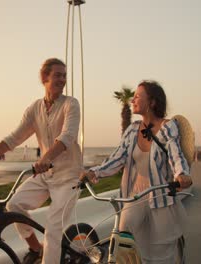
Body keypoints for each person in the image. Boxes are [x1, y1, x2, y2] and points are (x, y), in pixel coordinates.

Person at [0, 58, 82, 264]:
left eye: (64, 75)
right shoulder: (34, 109)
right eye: (58, 75)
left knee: (53, 229)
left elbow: (67, 136)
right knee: (14, 205)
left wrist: (45, 158)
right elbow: (13, 139)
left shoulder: (70, 104)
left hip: (68, 177)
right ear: (44, 78)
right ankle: (36, 249)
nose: (62, 79)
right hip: (46, 175)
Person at [80, 80, 192, 264]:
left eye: (138, 96)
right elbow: (117, 159)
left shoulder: (167, 127)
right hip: (134, 197)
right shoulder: (132, 130)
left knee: (159, 256)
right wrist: (94, 172)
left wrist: (181, 174)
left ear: (152, 102)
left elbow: (175, 154)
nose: (133, 100)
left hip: (159, 197)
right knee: (123, 242)